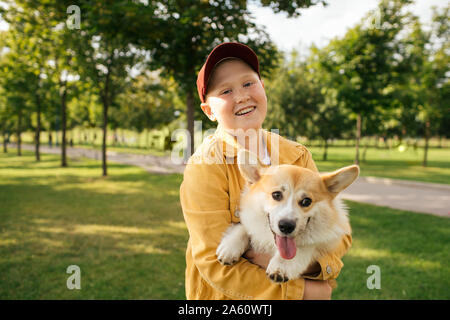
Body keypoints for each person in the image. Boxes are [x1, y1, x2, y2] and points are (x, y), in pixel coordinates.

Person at [179, 42, 352, 300]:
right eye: (226, 91)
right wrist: (303, 292)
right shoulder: (205, 167)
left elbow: (339, 236)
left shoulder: (297, 154)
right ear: (208, 111)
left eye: (249, 83)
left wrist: (316, 266)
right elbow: (213, 263)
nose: (242, 96)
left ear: (263, 87)